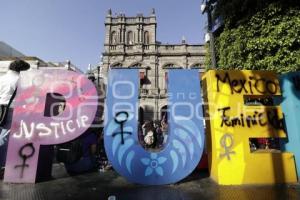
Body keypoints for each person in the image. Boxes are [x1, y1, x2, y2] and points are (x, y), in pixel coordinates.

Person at [0, 60, 30, 126]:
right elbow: (25, 97)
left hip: (1, 106)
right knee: (6, 133)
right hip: (10, 109)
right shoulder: (19, 80)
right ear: (22, 70)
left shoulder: (2, 78)